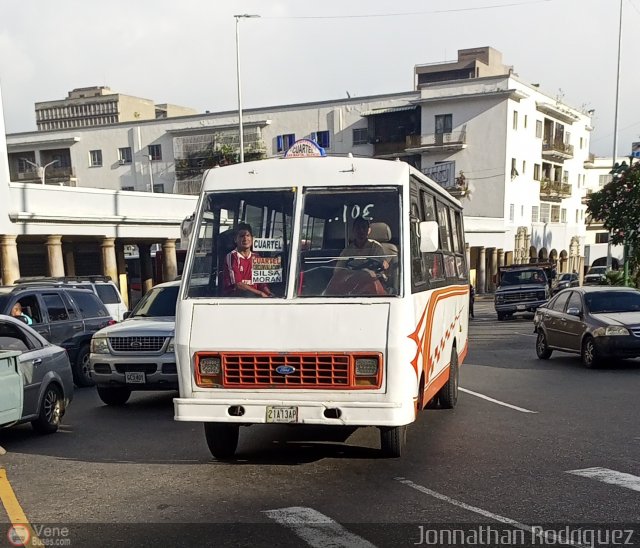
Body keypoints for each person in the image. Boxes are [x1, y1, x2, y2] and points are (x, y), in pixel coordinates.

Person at [326, 217, 388, 295]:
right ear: (353, 230)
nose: (361, 231)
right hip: (351, 286)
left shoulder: (376, 247)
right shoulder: (347, 250)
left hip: (372, 283)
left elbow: (381, 268)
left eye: (363, 227)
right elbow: (338, 271)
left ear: (369, 231)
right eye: (358, 228)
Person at [222, 223, 273, 298]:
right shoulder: (232, 256)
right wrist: (260, 293)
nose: (245, 239)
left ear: (252, 239)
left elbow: (262, 283)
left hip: (255, 298)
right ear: (235, 239)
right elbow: (238, 284)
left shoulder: (257, 257)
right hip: (235, 299)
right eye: (242, 236)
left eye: (248, 235)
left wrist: (269, 293)